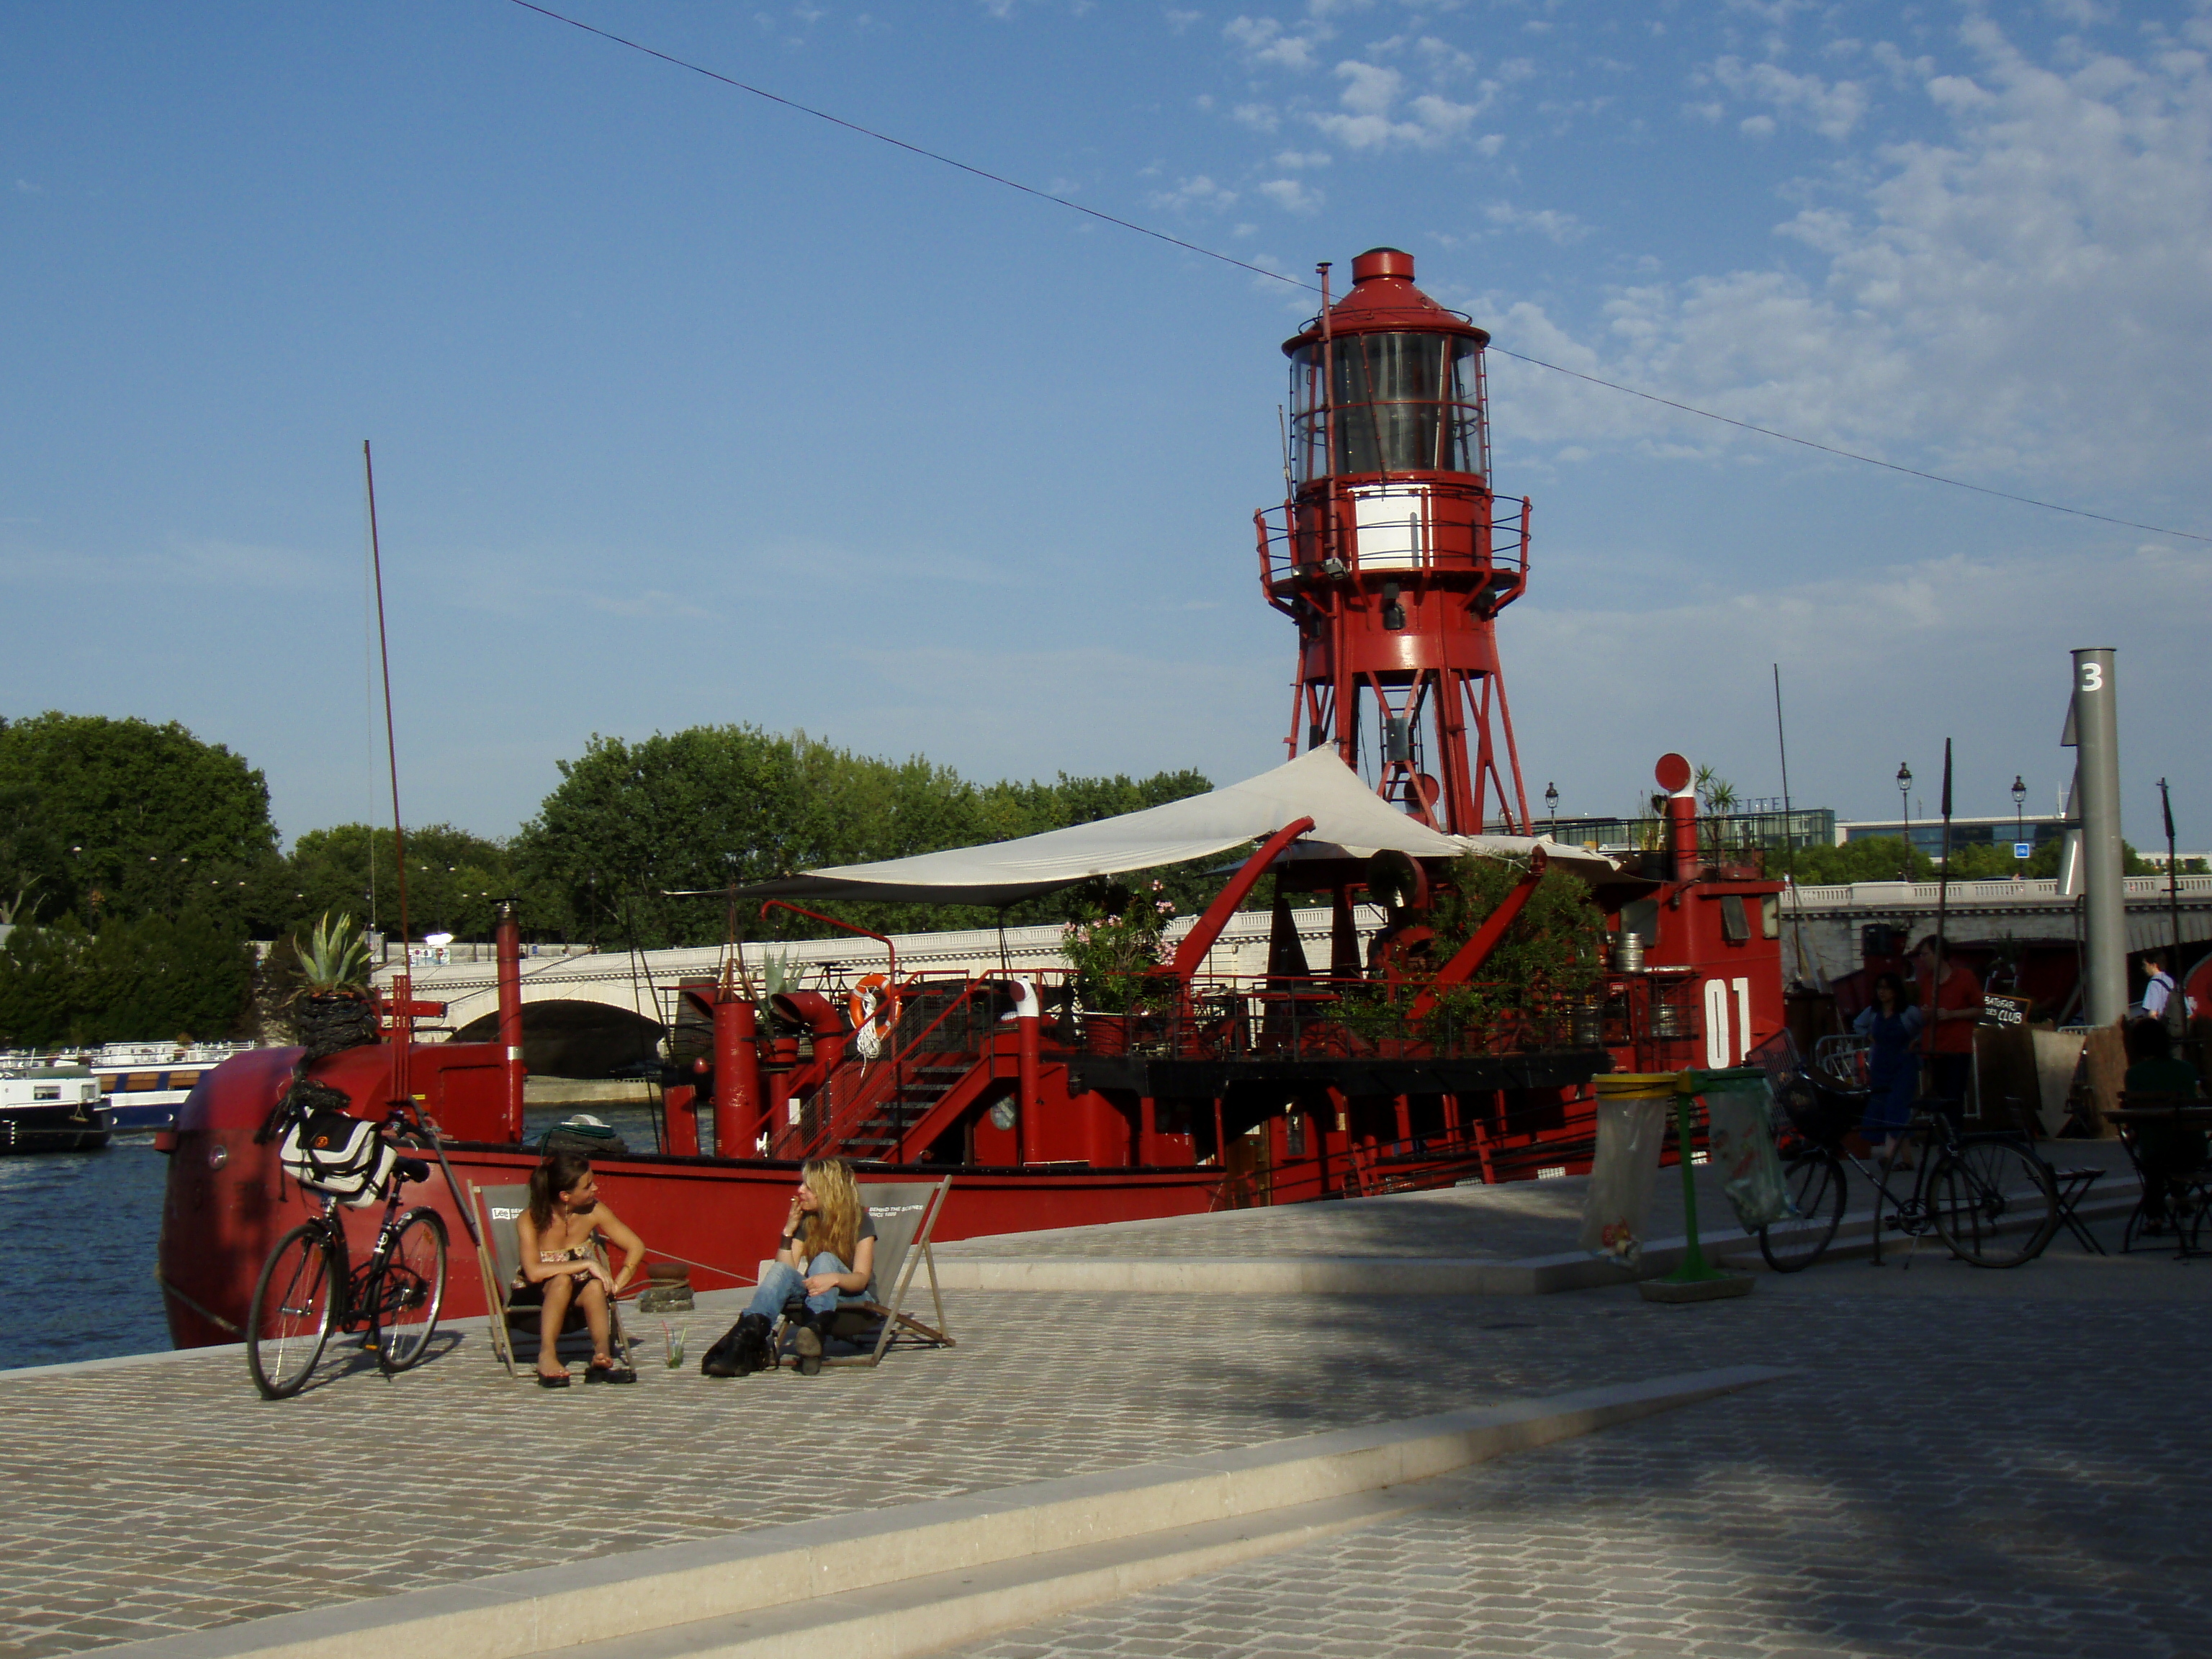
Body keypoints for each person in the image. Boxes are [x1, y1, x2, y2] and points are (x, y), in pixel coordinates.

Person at [702, 1157, 878, 1378]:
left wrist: (834, 1278)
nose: (800, 1190)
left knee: (824, 1258)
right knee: (779, 1270)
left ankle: (813, 1329)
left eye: (808, 1186)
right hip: (817, 1294)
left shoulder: (861, 1221)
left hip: (856, 1303)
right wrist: (788, 1231)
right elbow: (785, 1271)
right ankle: (745, 1340)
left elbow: (861, 1279)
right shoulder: (808, 1222)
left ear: (828, 1191)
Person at [514, 1151, 645, 1388]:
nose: (595, 1188)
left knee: (595, 1286)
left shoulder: (593, 1210)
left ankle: (602, 1357)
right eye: (587, 1186)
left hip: (575, 1310)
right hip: (532, 1309)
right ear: (565, 1195)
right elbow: (533, 1272)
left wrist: (617, 1284)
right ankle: (547, 1356)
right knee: (562, 1280)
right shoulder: (530, 1219)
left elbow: (635, 1245)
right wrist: (587, 1263)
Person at [2122, 1017, 2206, 1231]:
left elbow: (2134, 1116)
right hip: (2194, 1151)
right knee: (2173, 1141)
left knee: (2156, 1153)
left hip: (2157, 1151)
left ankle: (2155, 1216)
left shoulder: (2135, 1074)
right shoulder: (2187, 1069)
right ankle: (2181, 1198)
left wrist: (2132, 1133)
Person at [1852, 972, 1923, 1162]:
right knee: (1884, 1108)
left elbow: (1926, 1028)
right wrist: (1868, 1036)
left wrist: (1916, 1042)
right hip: (1881, 1066)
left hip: (1904, 1065)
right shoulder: (1873, 1012)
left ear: (1896, 991)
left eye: (1886, 988)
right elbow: (1857, 1024)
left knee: (1896, 1107)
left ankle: (1888, 1155)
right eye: (1879, 988)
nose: (1882, 992)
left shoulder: (1909, 1012)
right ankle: (1907, 1159)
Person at [1911, 935, 1981, 1114]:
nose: (1922, 959)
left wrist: (1953, 1014)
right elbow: (1922, 1010)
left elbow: (1980, 1009)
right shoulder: (1927, 981)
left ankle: (1954, 1138)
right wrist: (1925, 1013)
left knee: (1953, 1098)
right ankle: (1943, 1137)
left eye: (1925, 954)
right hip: (1933, 1047)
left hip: (1956, 1048)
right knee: (1938, 1099)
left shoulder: (1965, 977)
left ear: (1939, 954)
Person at [2136, 954, 2177, 1023]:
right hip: (2174, 1022)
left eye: (2145, 965)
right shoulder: (2170, 980)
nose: (2143, 968)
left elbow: (2153, 1013)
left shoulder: (2153, 984)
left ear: (2154, 965)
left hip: (2163, 1024)